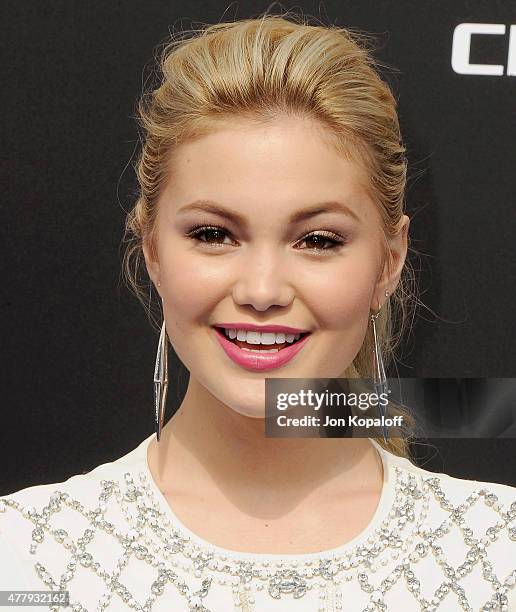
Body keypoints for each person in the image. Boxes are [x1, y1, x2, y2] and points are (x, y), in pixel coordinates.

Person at [1, 13, 515, 612]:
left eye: (318, 240)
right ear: (152, 250)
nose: (263, 289)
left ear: (390, 261)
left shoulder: (499, 553)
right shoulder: (27, 554)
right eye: (214, 234)